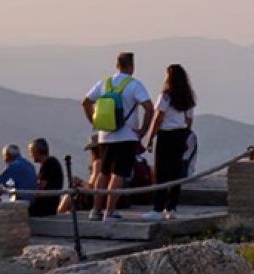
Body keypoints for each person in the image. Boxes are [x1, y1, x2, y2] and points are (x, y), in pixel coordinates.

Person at [81, 52, 154, 221]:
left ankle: (96, 210)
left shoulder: (104, 83)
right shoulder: (134, 85)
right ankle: (110, 211)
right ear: (132, 67)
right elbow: (149, 108)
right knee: (119, 174)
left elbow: (85, 102)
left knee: (103, 173)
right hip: (127, 135)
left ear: (117, 65)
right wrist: (143, 130)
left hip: (104, 136)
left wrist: (93, 120)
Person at [143, 64, 196, 221]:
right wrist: (186, 135)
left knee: (162, 172)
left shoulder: (166, 96)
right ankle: (171, 207)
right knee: (176, 171)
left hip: (166, 135)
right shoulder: (188, 97)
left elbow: (158, 117)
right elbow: (189, 119)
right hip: (181, 134)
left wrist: (150, 137)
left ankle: (158, 208)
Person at [28, 138, 62, 218]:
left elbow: (41, 188)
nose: (30, 155)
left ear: (36, 151)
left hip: (45, 207)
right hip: (50, 204)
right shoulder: (50, 162)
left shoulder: (49, 164)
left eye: (31, 152)